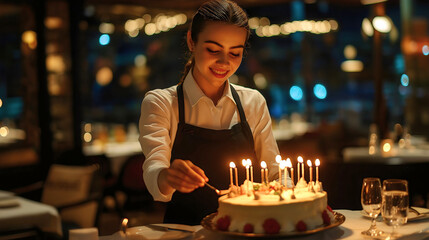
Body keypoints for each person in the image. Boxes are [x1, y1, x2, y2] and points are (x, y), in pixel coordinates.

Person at [139, 0, 285, 225]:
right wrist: (168, 176)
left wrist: (296, 194)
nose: (224, 62)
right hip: (186, 231)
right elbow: (153, 172)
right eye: (213, 50)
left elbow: (275, 172)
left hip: (246, 228)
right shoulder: (161, 103)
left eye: (235, 53)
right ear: (191, 41)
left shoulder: (253, 102)